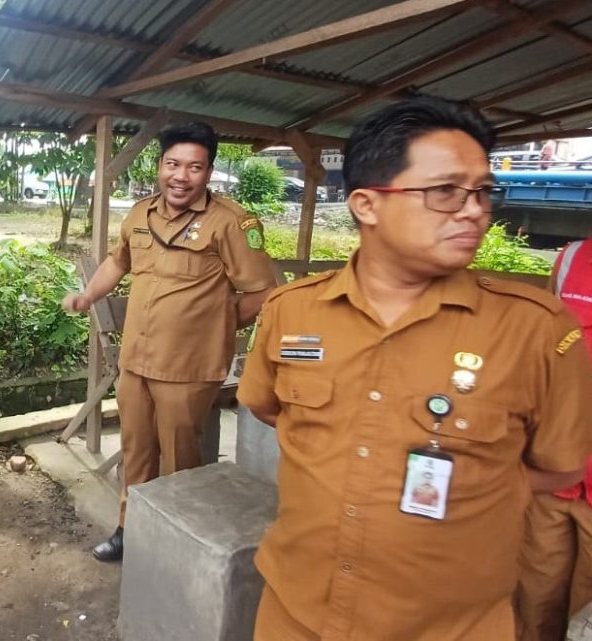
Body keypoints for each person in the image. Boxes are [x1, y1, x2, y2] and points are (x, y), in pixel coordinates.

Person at [237, 96, 592, 640]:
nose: (474, 209)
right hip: (295, 613)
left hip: (449, 628)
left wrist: (482, 483)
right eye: (445, 191)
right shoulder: (293, 311)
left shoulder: (536, 330)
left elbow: (562, 468)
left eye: (482, 192)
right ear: (366, 205)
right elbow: (267, 407)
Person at [61, 122, 276, 562]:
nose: (181, 176)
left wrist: (213, 323)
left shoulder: (233, 222)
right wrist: (88, 295)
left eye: (194, 167)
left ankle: (177, 543)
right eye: (172, 164)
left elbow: (261, 291)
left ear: (209, 172)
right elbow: (117, 263)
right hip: (136, 361)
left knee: (180, 456)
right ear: (159, 166)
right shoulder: (140, 214)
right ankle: (129, 528)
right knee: (136, 450)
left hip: (188, 367)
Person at [515, 239, 592, 641]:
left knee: (586, 615)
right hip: (554, 472)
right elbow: (547, 348)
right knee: (535, 595)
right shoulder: (573, 257)